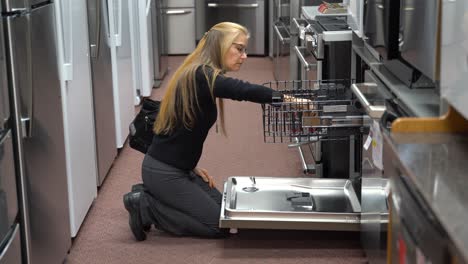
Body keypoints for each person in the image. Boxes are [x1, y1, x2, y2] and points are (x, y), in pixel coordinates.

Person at [123, 22, 288, 241]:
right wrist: (288, 99)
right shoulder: (200, 75)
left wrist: (191, 167)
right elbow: (242, 90)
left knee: (225, 213)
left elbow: (178, 132)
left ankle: (152, 193)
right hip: (164, 172)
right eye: (239, 49)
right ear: (221, 45)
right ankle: (146, 206)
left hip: (178, 168)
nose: (244, 56)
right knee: (218, 227)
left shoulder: (200, 72)